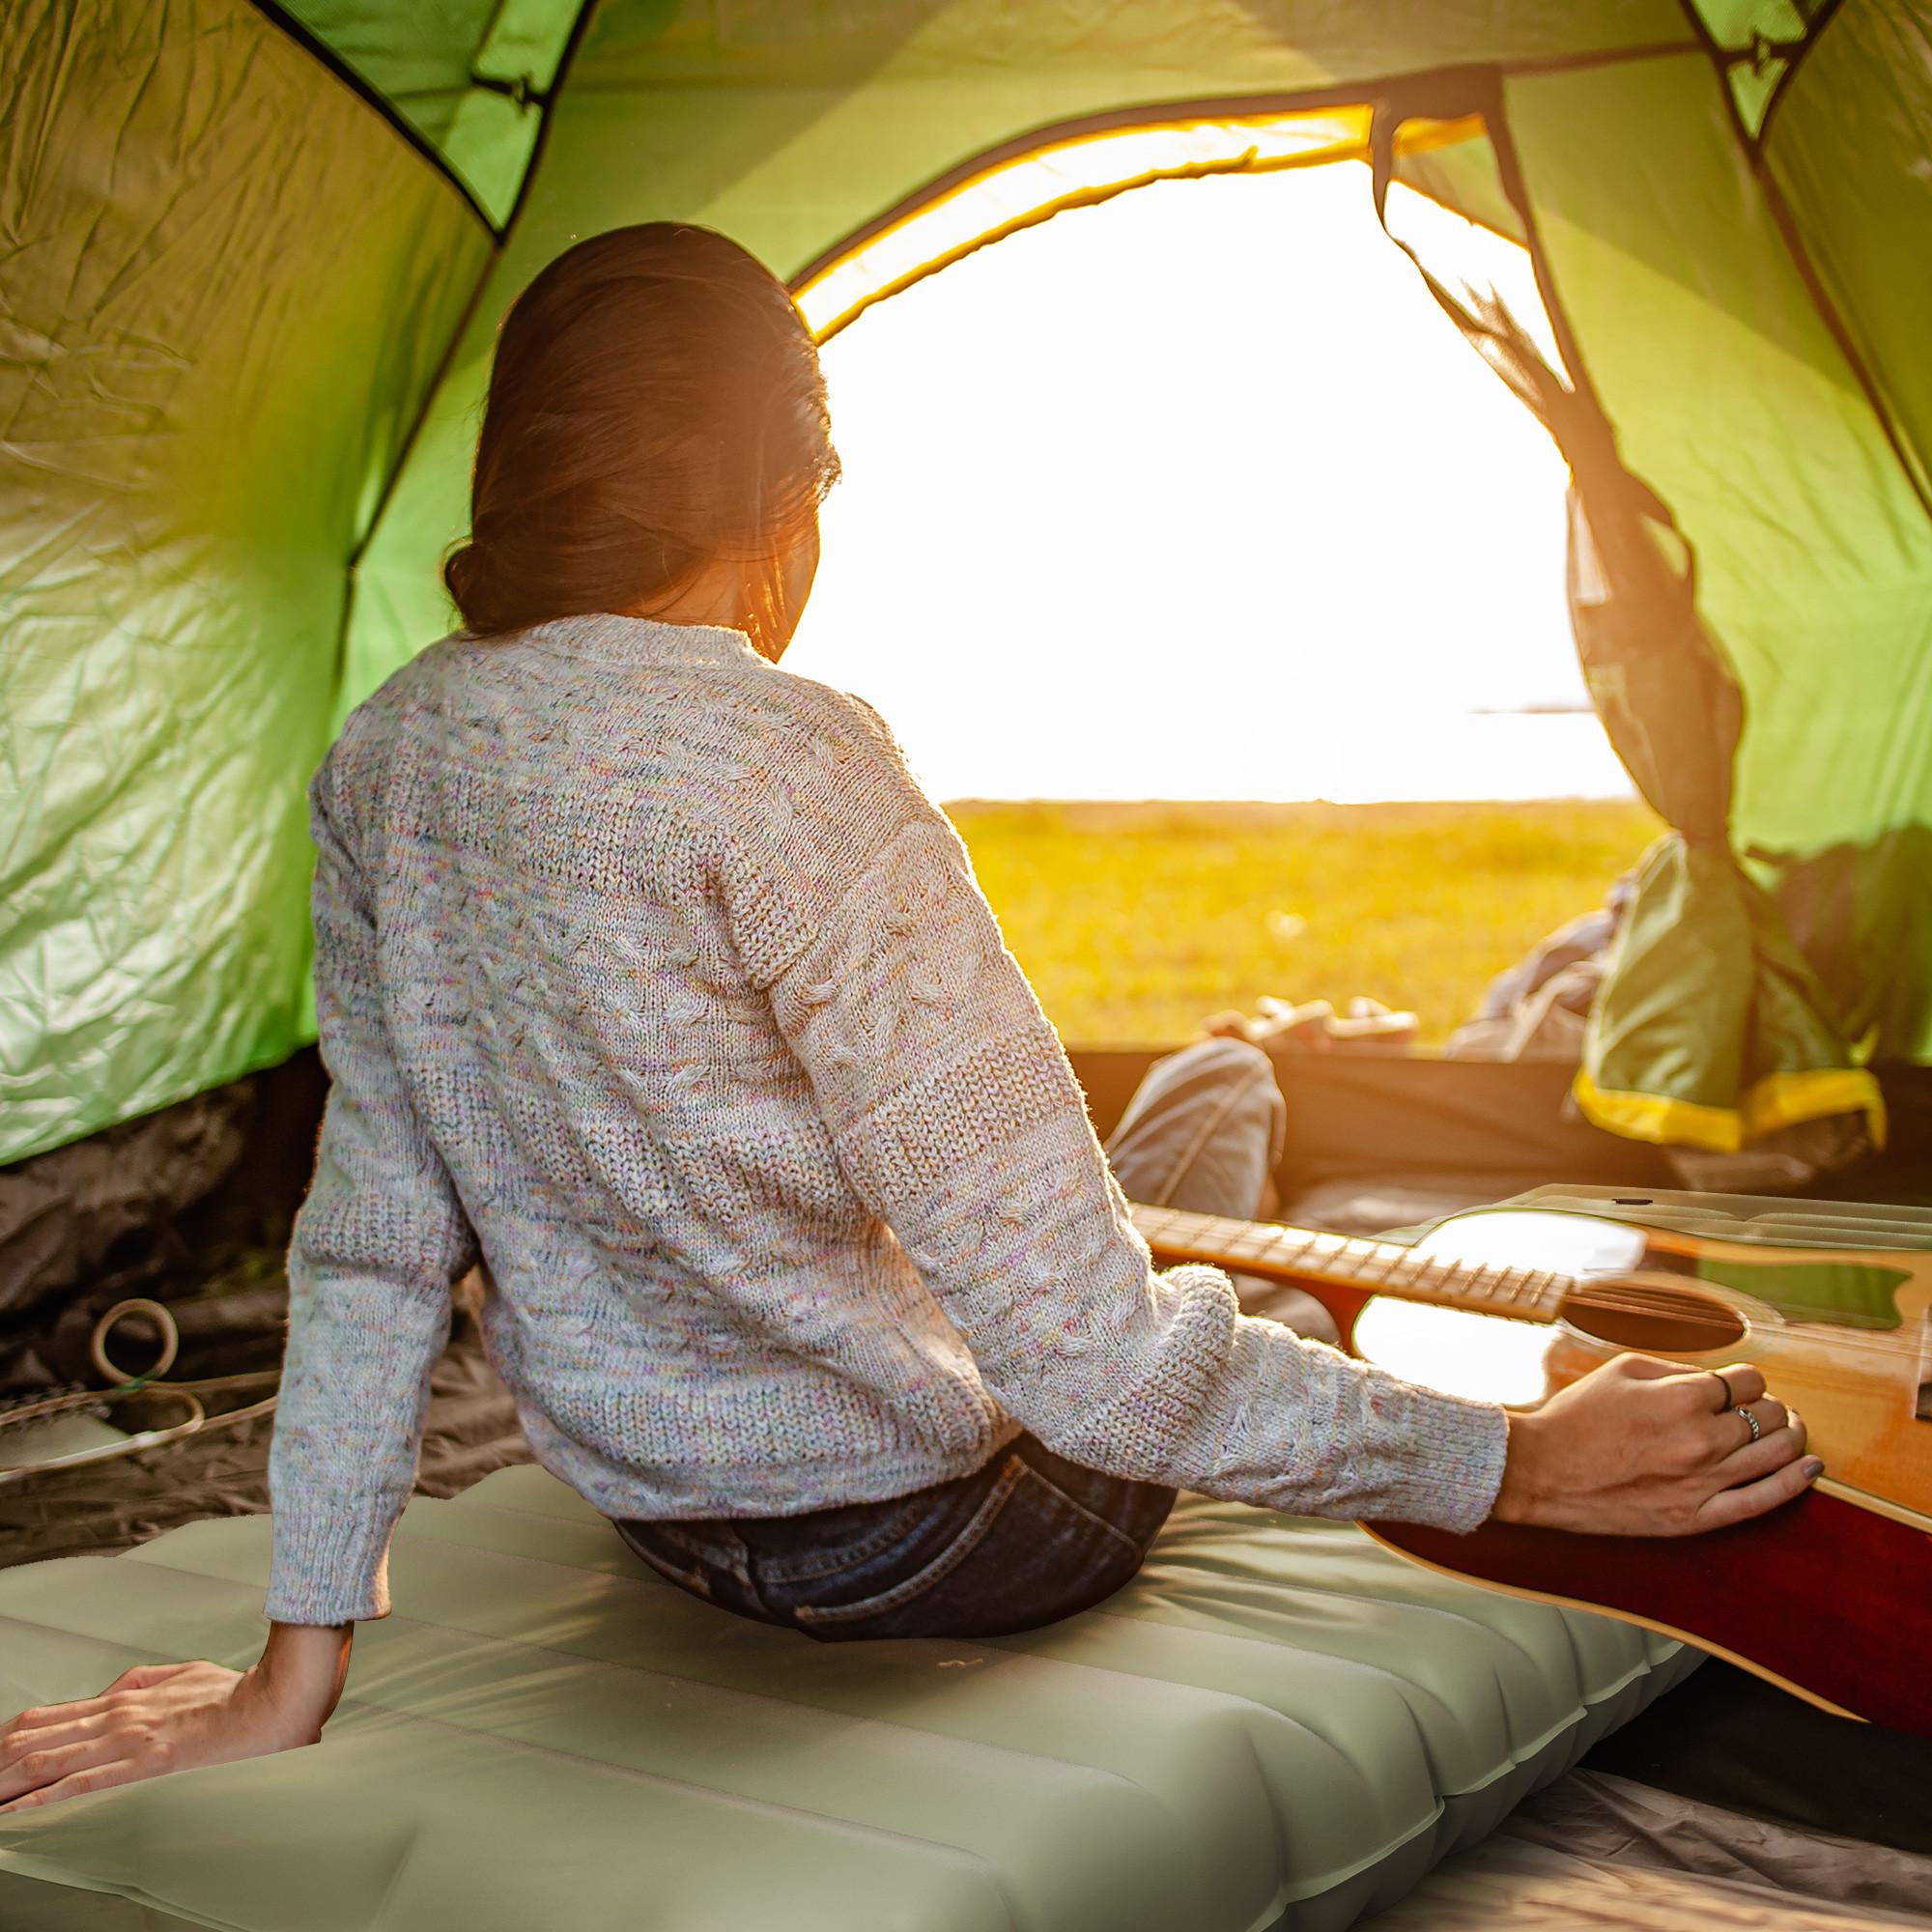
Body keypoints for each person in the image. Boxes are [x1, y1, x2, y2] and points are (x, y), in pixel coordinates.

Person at [0, 223, 1818, 1813]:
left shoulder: (390, 751)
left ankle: (1228, 1169)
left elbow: (376, 1244)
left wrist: (287, 1675)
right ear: (784, 509)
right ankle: (1264, 1225)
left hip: (665, 1520)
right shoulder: (795, 763)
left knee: (1200, 1097)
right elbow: (1096, 1373)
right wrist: (1511, 1464)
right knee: (1218, 1221)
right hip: (936, 1544)